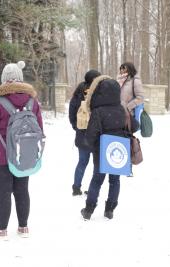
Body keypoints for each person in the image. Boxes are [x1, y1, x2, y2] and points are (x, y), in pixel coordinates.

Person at [0, 61, 43, 239]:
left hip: (1, 155)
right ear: (20, 79)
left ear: (4, 79)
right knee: (22, 190)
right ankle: (23, 227)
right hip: (23, 153)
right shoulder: (32, 101)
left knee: (4, 191)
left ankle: (2, 229)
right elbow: (39, 130)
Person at [80, 76, 139, 220]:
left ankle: (88, 210)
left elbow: (90, 136)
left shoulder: (98, 111)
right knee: (115, 180)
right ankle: (110, 209)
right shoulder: (122, 109)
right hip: (119, 151)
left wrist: (94, 147)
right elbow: (135, 126)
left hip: (101, 151)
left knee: (97, 180)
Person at [69, 69, 100, 196]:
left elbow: (72, 110)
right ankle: (92, 189)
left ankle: (76, 187)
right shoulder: (98, 92)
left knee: (82, 161)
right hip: (96, 134)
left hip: (82, 133)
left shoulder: (78, 91)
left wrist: (75, 125)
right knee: (96, 164)